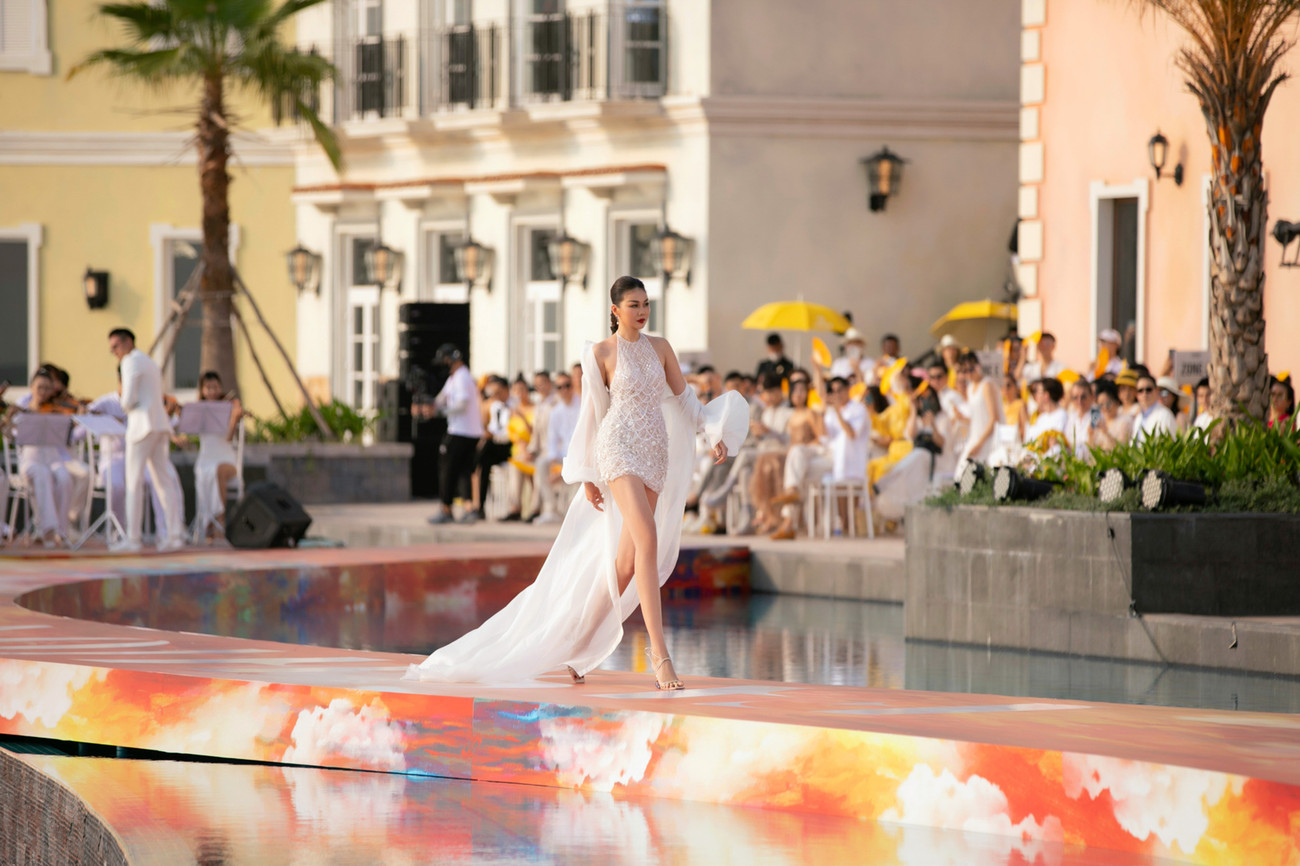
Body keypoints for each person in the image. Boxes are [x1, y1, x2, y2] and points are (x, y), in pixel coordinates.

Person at [404, 276, 746, 690]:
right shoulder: (600, 353)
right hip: (618, 448)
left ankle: (580, 646)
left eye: (645, 303)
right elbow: (593, 414)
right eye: (633, 304)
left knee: (625, 565)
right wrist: (586, 474)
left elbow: (685, 400)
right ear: (615, 310)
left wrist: (712, 432)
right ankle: (660, 655)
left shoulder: (661, 348)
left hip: (655, 452)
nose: (642, 311)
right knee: (648, 540)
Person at [108, 328, 186, 552]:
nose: (114, 352)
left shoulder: (129, 361)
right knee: (163, 481)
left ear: (128, 342)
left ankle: (133, 539)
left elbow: (127, 400)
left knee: (134, 482)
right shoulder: (149, 361)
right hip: (159, 425)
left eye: (116, 346)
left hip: (141, 427)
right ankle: (175, 536)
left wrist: (125, 403)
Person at [427, 344, 483, 525]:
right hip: (468, 431)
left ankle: (446, 508)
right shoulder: (455, 378)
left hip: (461, 431)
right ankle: (468, 507)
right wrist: (428, 405)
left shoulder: (461, 377)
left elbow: (461, 405)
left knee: (448, 469)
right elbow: (441, 399)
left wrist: (438, 412)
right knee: (463, 470)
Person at [191, 371, 242, 541]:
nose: (212, 391)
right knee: (206, 472)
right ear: (202, 390)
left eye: (215, 387)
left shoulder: (229, 406)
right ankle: (208, 525)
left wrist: (234, 417)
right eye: (208, 387)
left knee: (218, 471)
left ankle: (219, 523)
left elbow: (228, 438)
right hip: (205, 460)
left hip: (226, 459)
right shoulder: (198, 410)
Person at [533, 372, 579, 524]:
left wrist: (562, 470)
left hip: (579, 455)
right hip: (563, 454)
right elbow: (552, 439)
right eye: (560, 387)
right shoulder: (556, 411)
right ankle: (551, 509)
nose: (564, 390)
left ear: (572, 386)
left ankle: (572, 510)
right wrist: (553, 460)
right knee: (541, 463)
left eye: (567, 385)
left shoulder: (582, 405)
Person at [956, 351, 1000, 470]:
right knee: (962, 472)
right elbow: (978, 419)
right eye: (965, 371)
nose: (969, 374)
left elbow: (994, 418)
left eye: (971, 369)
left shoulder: (986, 385)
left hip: (988, 439)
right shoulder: (970, 388)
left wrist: (979, 444)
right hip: (975, 437)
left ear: (978, 365)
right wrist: (962, 418)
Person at [1088, 380, 1133, 451]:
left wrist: (1106, 433)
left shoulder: (1125, 421)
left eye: (1108, 403)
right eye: (1101, 405)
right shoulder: (1099, 422)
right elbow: (1092, 450)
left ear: (1117, 402)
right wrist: (1090, 435)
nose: (1105, 407)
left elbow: (1121, 449)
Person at [1132, 374, 1177, 444]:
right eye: (1140, 390)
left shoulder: (1165, 414)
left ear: (1156, 391)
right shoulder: (1139, 417)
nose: (1144, 394)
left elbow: (1168, 443)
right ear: (1137, 395)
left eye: (1148, 390)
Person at [1064, 379, 1094, 459]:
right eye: (1075, 397)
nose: (1079, 401)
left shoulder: (1096, 416)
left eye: (1083, 397)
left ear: (1091, 396)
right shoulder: (1072, 417)